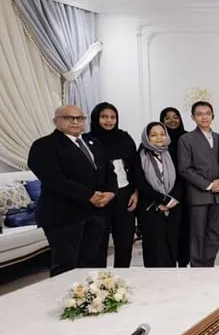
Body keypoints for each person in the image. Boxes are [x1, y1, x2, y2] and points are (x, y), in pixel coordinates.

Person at [27, 105, 117, 276]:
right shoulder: (44, 145)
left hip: (96, 214)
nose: (75, 122)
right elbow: (55, 179)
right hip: (63, 217)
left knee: (93, 264)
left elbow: (109, 170)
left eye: (79, 118)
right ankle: (67, 302)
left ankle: (92, 300)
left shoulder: (94, 142)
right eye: (69, 118)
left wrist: (111, 192)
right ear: (56, 121)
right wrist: (89, 195)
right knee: (66, 267)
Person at [177, 101, 219, 267]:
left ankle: (209, 264)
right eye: (199, 114)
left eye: (207, 113)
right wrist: (208, 185)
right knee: (197, 234)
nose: (204, 117)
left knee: (214, 233)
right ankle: (198, 267)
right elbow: (184, 169)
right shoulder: (186, 139)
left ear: (212, 115)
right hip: (199, 194)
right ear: (193, 117)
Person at [86, 102, 138, 268]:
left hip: (125, 194)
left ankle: (122, 276)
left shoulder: (125, 138)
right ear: (96, 118)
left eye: (112, 117)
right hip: (100, 196)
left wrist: (136, 192)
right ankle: (100, 282)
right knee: (98, 242)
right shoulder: (87, 140)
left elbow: (136, 167)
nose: (109, 120)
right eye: (104, 117)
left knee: (125, 240)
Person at [134, 122, 183, 268]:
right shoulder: (140, 156)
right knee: (154, 247)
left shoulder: (171, 152)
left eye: (162, 134)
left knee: (171, 245)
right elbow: (141, 183)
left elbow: (181, 177)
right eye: (153, 135)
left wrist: (172, 199)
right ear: (147, 137)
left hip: (172, 206)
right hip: (150, 207)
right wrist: (163, 199)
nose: (159, 138)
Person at [160, 106, 190, 267]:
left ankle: (184, 263)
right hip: (163, 193)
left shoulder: (187, 138)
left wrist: (177, 194)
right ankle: (169, 265)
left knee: (184, 230)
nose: (172, 120)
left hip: (185, 192)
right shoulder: (157, 141)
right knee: (168, 233)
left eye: (175, 116)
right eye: (167, 117)